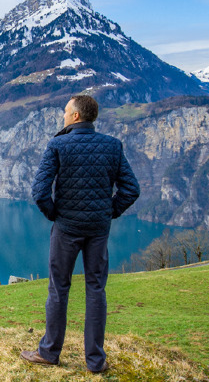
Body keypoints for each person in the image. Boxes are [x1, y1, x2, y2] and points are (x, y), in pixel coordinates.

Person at [20, 94, 139, 373]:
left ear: (75, 116)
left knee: (58, 289)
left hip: (66, 229)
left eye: (65, 111)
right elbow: (131, 189)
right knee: (96, 289)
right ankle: (95, 361)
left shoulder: (58, 144)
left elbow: (39, 192)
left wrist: (56, 215)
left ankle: (49, 353)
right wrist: (108, 212)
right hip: (98, 230)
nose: (63, 115)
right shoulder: (112, 145)